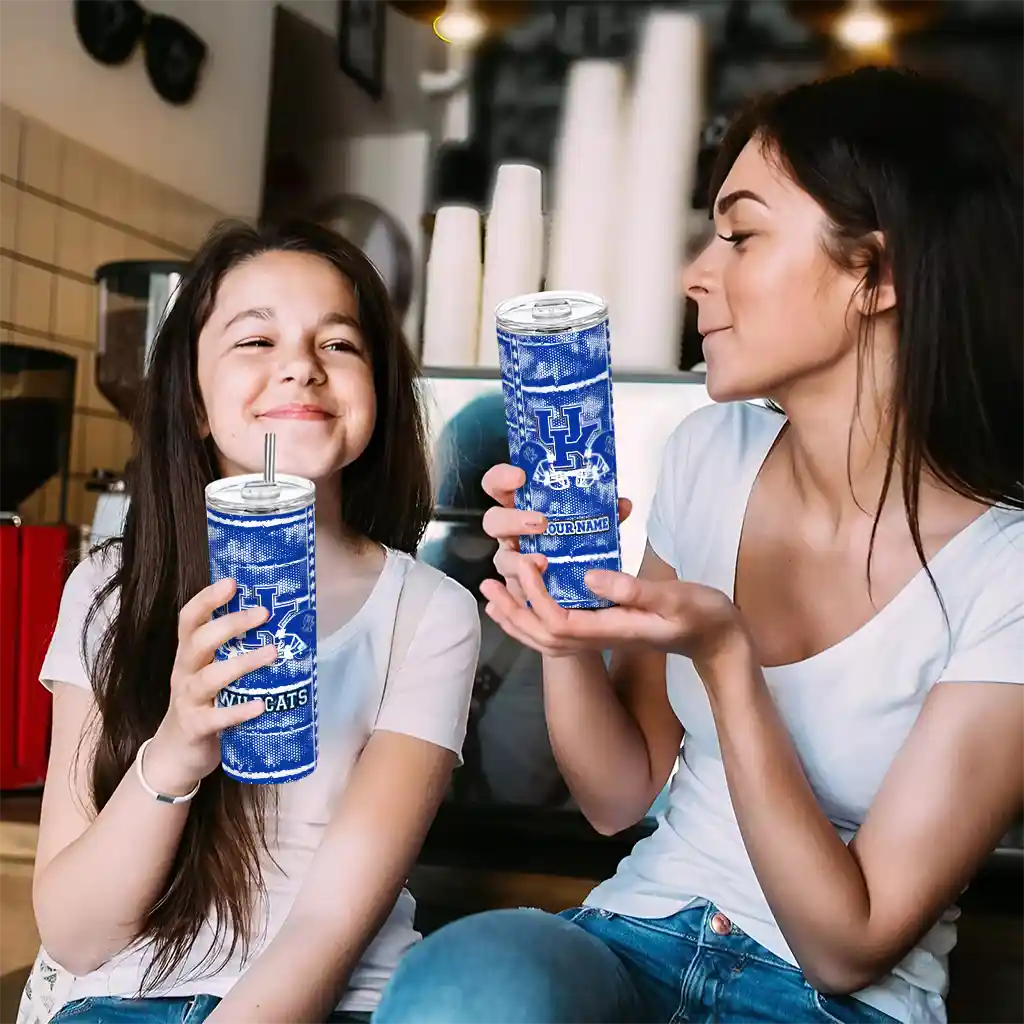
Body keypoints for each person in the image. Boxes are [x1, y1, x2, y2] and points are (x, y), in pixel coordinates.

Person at [372, 66, 1024, 1024]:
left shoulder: (1004, 571)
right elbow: (616, 796)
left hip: (828, 1000)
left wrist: (726, 659)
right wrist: (564, 627)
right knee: (467, 987)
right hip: (635, 936)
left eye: (741, 235)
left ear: (876, 275)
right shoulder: (710, 453)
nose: (695, 273)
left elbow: (848, 948)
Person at [31, 221, 480, 1023]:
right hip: (119, 1001)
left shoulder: (427, 614)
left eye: (338, 343)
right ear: (195, 403)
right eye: (256, 340)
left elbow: (327, 928)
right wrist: (177, 750)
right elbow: (73, 936)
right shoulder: (109, 590)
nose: (301, 365)